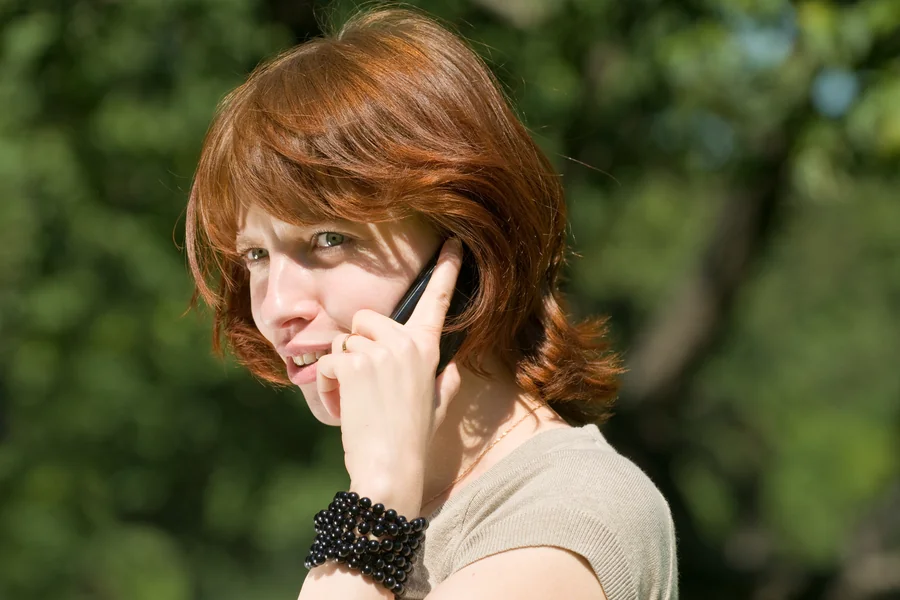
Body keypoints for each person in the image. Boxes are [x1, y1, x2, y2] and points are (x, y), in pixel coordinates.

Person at [185, 6, 677, 600]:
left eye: (329, 239)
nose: (276, 307)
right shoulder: (414, 502)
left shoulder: (568, 520)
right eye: (256, 256)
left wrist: (371, 512)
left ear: (468, 246)